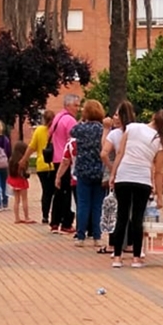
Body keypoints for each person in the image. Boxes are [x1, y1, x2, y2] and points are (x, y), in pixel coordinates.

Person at [109, 108, 163, 268]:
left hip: (124, 175)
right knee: (137, 218)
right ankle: (136, 257)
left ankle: (117, 257)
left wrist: (113, 174)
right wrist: (160, 196)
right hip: (143, 180)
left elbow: (120, 153)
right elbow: (158, 171)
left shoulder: (132, 127)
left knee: (121, 216)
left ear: (152, 117)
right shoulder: (159, 141)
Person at [60, 99, 106, 246]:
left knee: (83, 204)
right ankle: (97, 237)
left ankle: (80, 236)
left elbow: (72, 131)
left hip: (83, 170)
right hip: (99, 171)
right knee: (97, 205)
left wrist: (82, 120)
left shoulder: (80, 129)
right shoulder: (103, 130)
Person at [96, 101, 133, 254]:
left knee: (115, 210)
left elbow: (104, 152)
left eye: (117, 114)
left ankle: (113, 244)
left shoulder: (115, 133)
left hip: (119, 176)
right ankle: (130, 244)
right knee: (132, 212)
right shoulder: (136, 131)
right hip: (134, 173)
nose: (114, 117)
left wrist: (113, 169)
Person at [48, 95, 80, 234]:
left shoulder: (58, 117)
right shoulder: (70, 120)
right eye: (76, 105)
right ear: (68, 105)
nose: (78, 109)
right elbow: (75, 140)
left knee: (58, 192)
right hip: (65, 160)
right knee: (68, 193)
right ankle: (67, 222)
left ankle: (55, 221)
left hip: (56, 157)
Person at [20, 110, 57, 224]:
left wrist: (24, 159)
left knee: (46, 192)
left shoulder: (39, 130)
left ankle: (45, 216)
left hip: (42, 165)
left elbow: (32, 147)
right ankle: (56, 216)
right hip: (55, 164)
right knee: (57, 192)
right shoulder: (56, 130)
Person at [7, 140, 36, 223]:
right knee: (24, 199)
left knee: (16, 200)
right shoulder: (23, 161)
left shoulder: (11, 159)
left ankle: (17, 218)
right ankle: (26, 217)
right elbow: (24, 173)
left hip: (13, 180)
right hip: (21, 181)